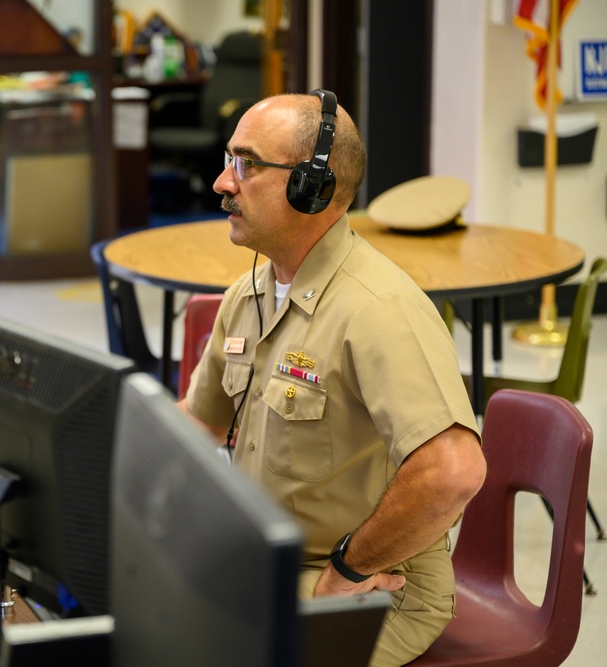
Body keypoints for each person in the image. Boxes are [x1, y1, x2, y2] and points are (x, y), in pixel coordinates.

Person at [177, 91, 487, 667]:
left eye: (246, 164)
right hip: (270, 562)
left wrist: (346, 571)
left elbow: (453, 472)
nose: (223, 182)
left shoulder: (378, 309)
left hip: (373, 588)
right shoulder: (249, 295)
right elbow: (197, 423)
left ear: (310, 187)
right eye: (228, 160)